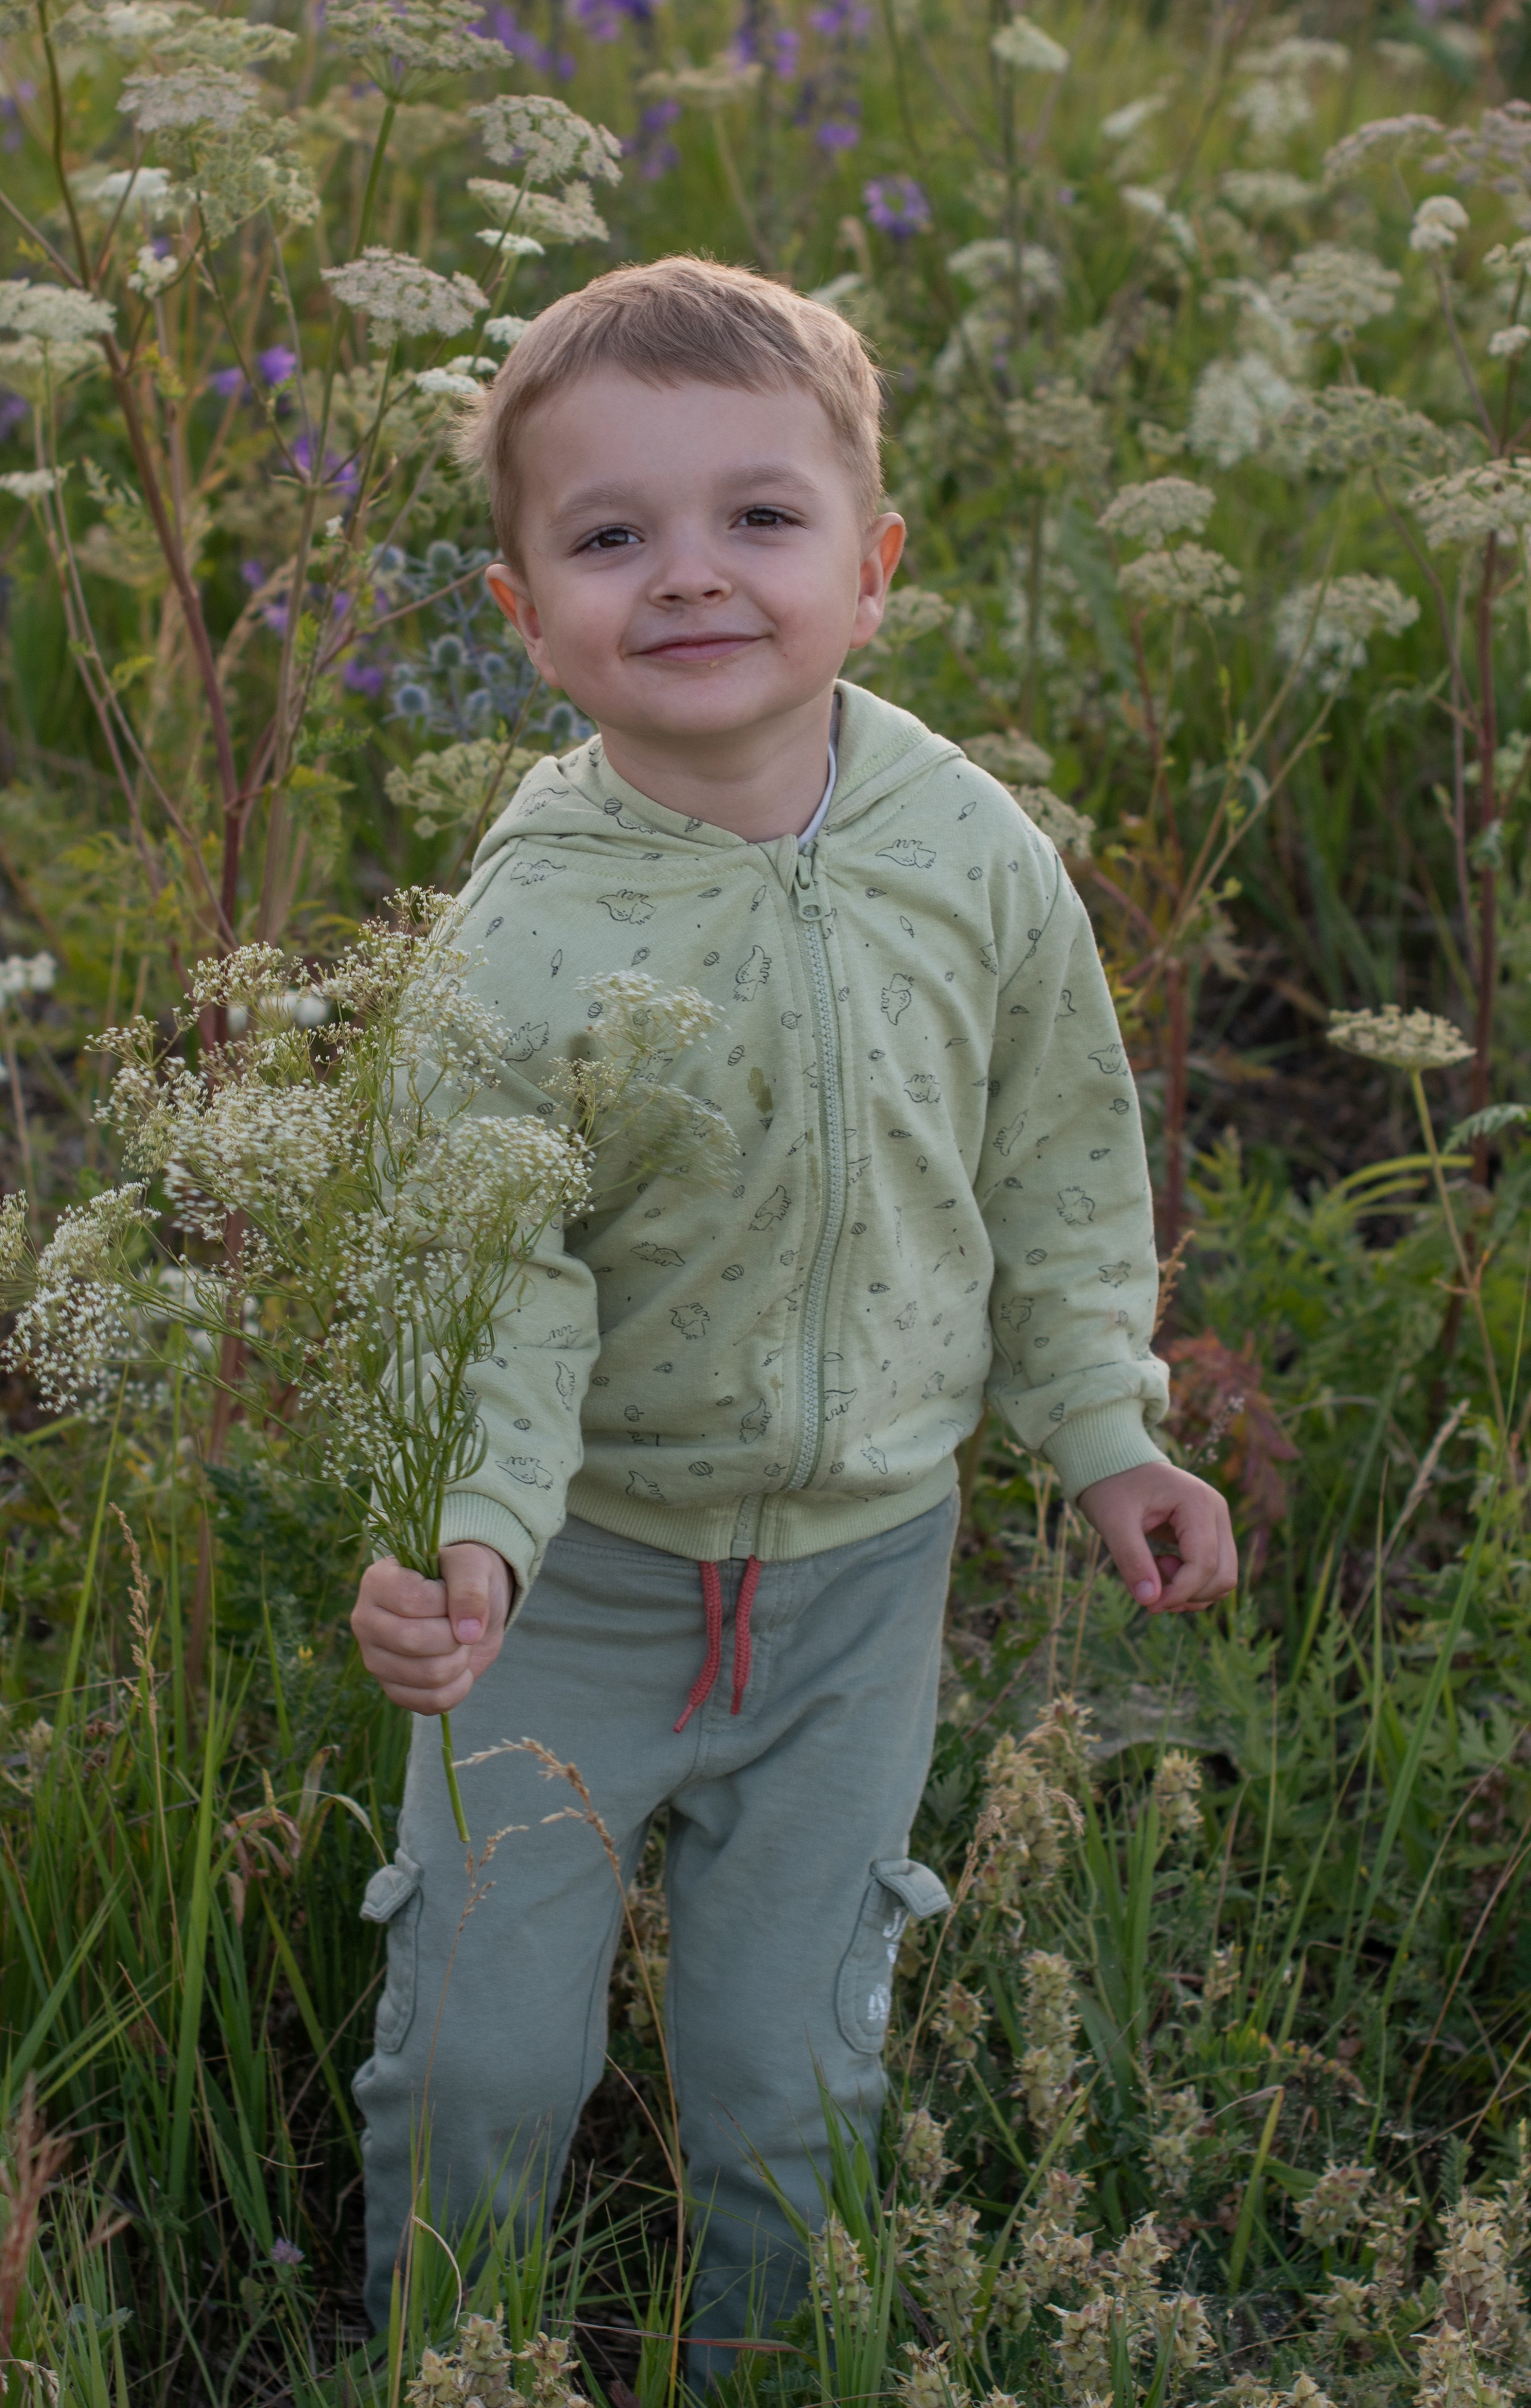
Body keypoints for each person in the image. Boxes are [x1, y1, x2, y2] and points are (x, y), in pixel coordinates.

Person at [349, 255, 1236, 2371]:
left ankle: (777, 2362)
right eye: (610, 535)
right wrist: (472, 1529)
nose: (690, 577)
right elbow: (479, 1280)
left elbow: (1053, 1159)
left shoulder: (972, 851)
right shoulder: (520, 939)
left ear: (874, 567)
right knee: (483, 2055)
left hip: (862, 1577)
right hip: (573, 1580)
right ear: (522, 613)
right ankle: (442, 2354)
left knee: (789, 2059)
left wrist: (1103, 1422)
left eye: (760, 517)